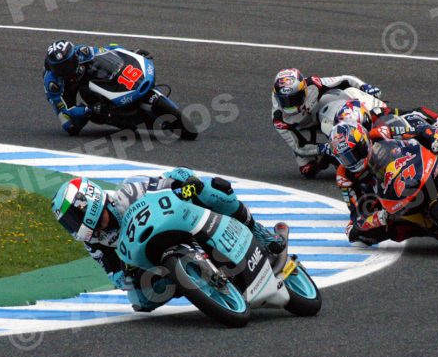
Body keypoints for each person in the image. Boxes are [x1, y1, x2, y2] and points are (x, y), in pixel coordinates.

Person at [51, 168, 282, 312]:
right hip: (151, 256)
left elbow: (165, 182)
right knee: (140, 300)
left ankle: (259, 231)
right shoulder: (92, 240)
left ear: (87, 203)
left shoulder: (128, 195)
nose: (72, 226)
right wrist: (125, 274)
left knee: (213, 189)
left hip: (180, 218)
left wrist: (183, 182)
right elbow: (113, 273)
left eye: (73, 218)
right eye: (68, 223)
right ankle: (191, 284)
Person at [328, 122, 438, 245]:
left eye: (355, 152)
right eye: (345, 157)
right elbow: (356, 211)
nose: (352, 159)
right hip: (388, 203)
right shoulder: (345, 178)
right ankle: (434, 228)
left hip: (412, 168)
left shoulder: (381, 133)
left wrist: (435, 137)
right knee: (357, 234)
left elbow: (418, 129)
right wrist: (373, 219)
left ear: (364, 141)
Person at [271, 68, 382, 178]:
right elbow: (299, 147)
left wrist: (364, 86)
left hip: (324, 113)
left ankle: (371, 124)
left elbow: (345, 80)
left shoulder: (313, 84)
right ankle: (337, 159)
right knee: (308, 169)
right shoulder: (279, 119)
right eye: (284, 101)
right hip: (304, 129)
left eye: (295, 98)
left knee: (342, 122)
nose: (291, 105)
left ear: (304, 89)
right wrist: (324, 148)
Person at [43, 40, 152, 135]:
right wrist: (87, 110)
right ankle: (113, 117)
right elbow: (63, 111)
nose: (66, 69)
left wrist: (131, 52)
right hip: (67, 89)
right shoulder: (52, 84)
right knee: (72, 127)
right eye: (60, 68)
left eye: (68, 64)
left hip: (85, 76)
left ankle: (116, 96)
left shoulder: (82, 51)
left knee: (100, 68)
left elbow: (108, 50)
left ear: (74, 56)